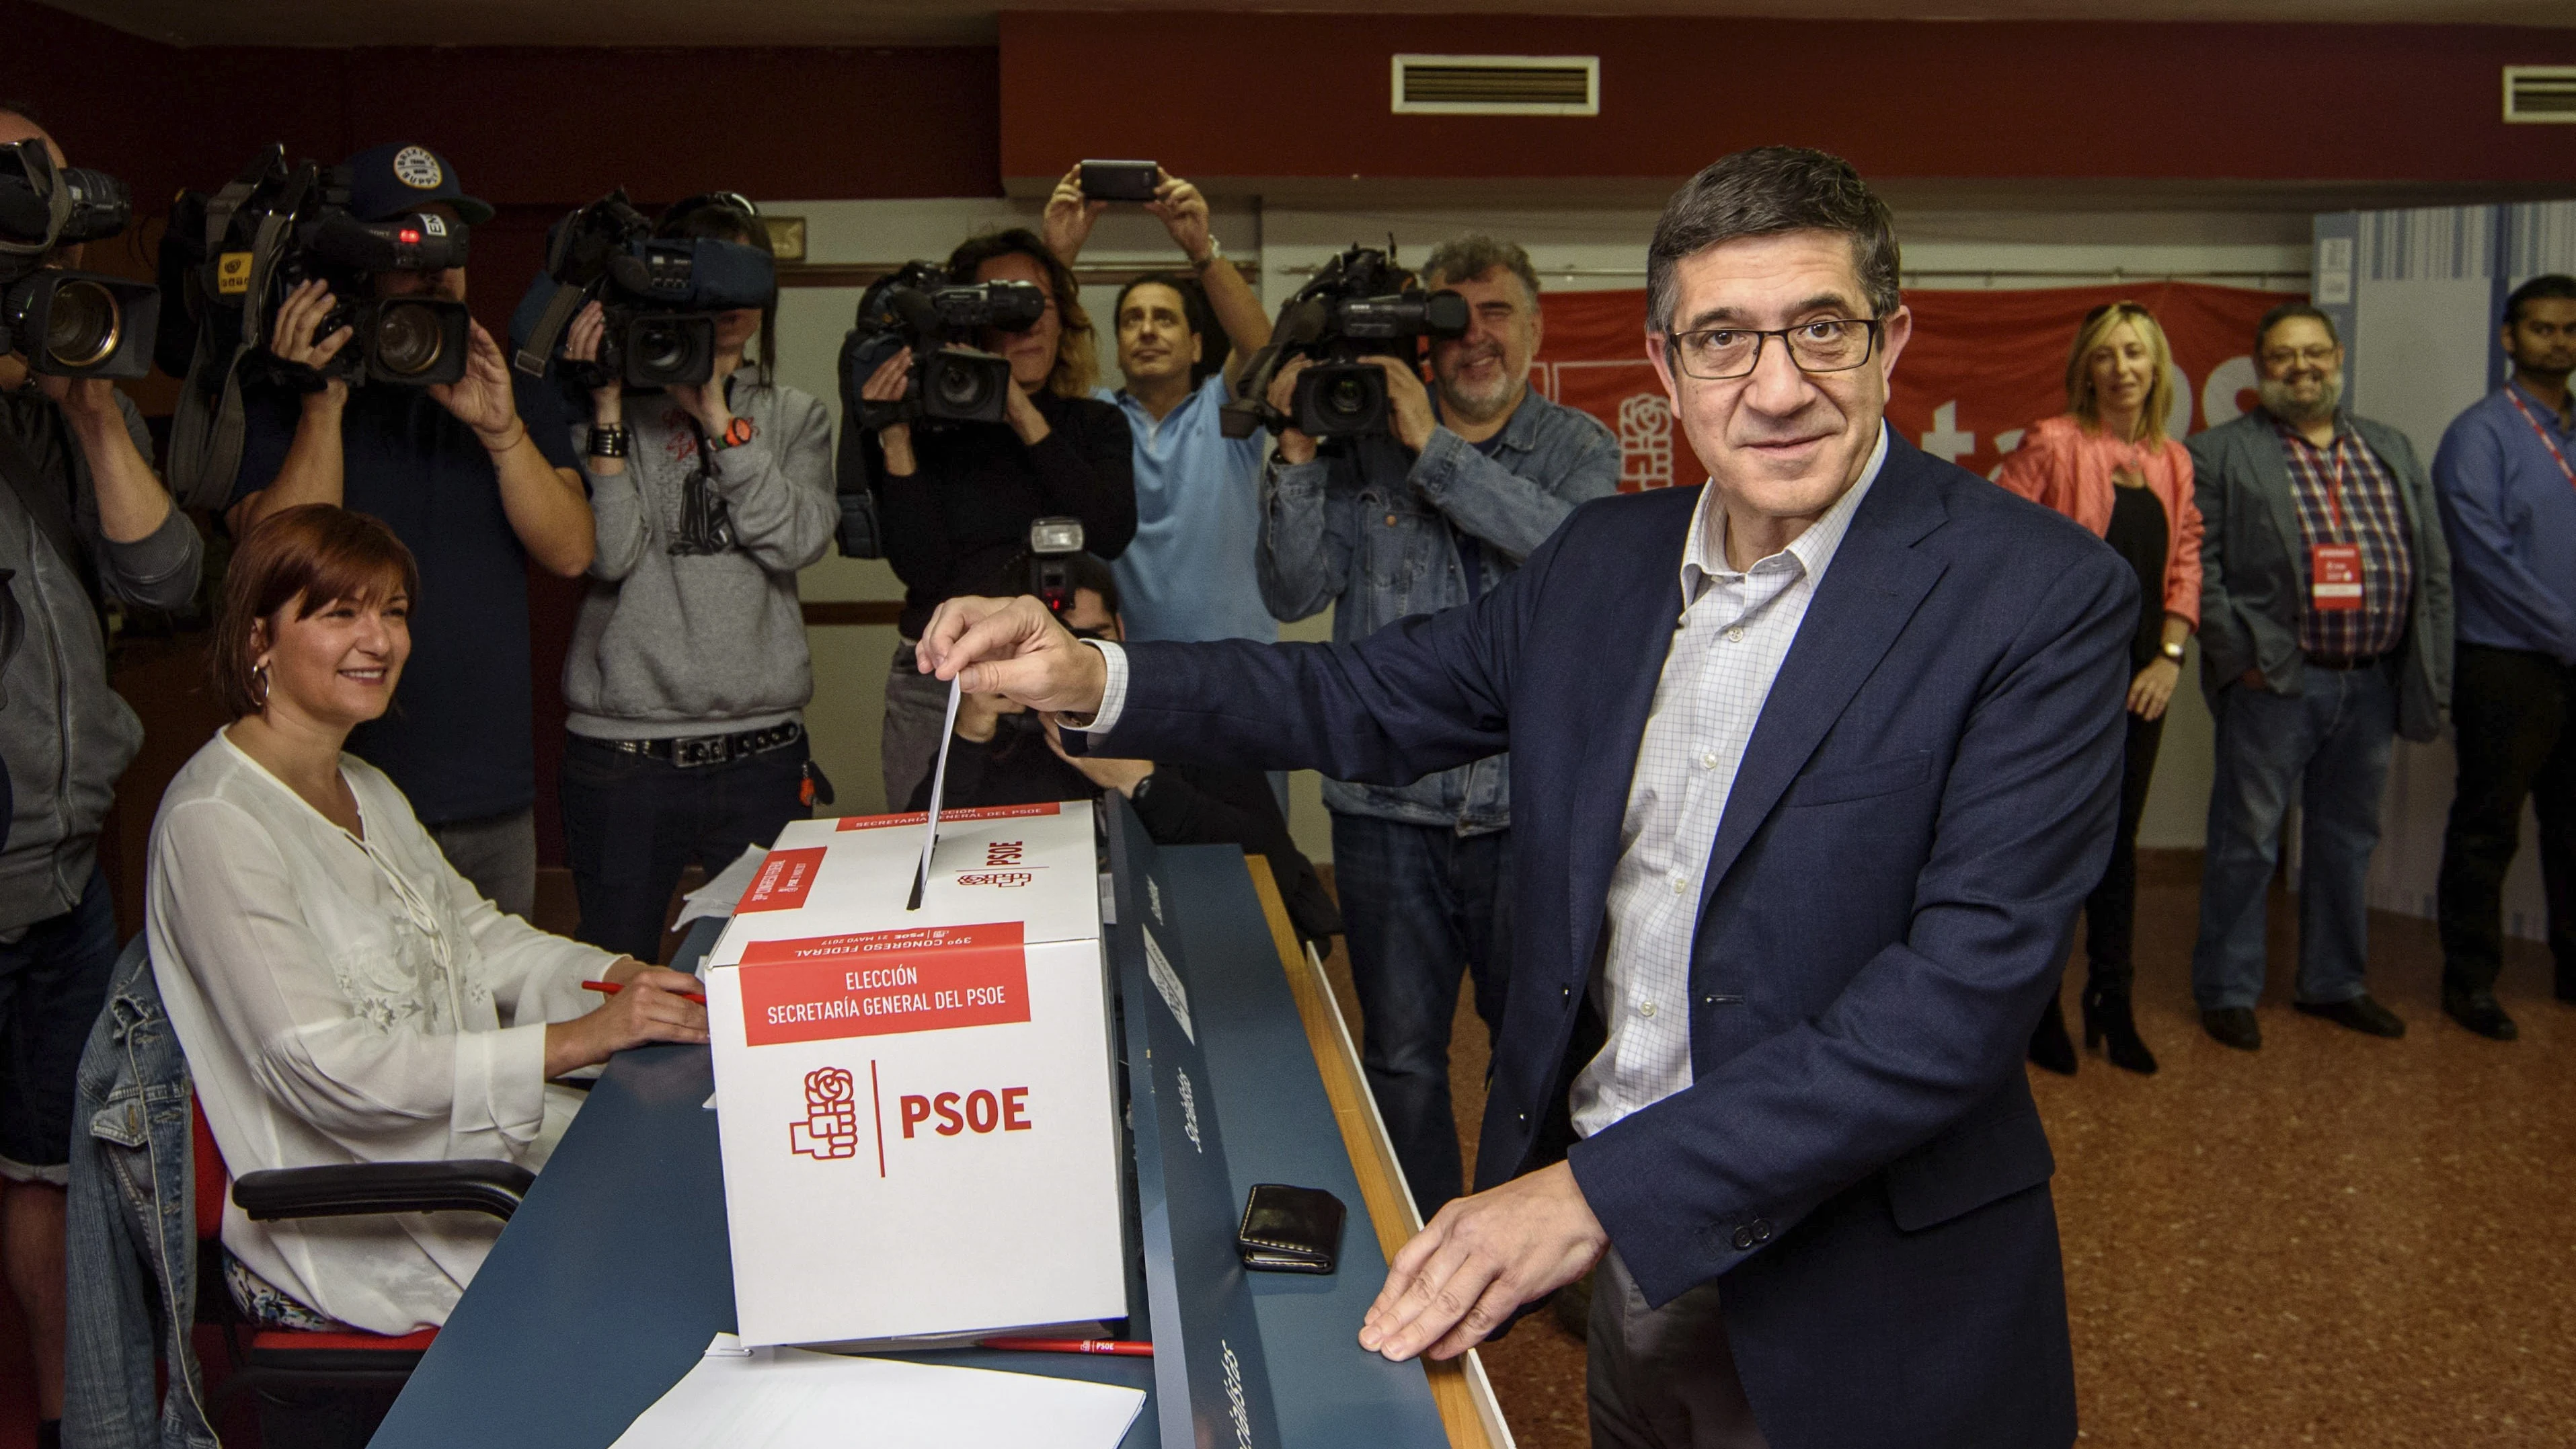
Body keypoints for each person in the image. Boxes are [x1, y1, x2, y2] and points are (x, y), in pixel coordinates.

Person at [921, 147, 2133, 1448]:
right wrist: (1089, 669)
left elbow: (1952, 1004)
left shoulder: (2037, 595)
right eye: (1723, 339)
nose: (1775, 388)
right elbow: (1361, 699)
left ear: (1890, 341)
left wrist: (1593, 1193)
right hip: (1635, 1274)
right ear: (1665, 366)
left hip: (1872, 1297)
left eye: (1820, 330)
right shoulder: (1603, 563)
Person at [147, 505, 706, 1341]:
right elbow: (322, 1066)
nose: (378, 641)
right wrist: (577, 1039)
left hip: (448, 1157)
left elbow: (477, 937)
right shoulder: (216, 820)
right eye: (340, 613)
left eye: (394, 612)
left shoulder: (365, 785)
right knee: (671, 1255)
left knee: (696, 1167)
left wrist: (616, 977)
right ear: (259, 637)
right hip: (354, 1205)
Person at [1258, 232, 1618, 1219]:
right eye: (1451, 317)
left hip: (1525, 804)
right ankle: (1421, 1240)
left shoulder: (1579, 447)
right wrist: (1294, 448)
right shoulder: (1354, 442)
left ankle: (1527, 1244)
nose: (1474, 338)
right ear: (1423, 337)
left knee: (1535, 1045)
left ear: (1535, 328)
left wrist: (1434, 448)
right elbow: (1290, 593)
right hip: (1384, 806)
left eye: (1495, 312)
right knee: (1403, 1055)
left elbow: (1570, 564)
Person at [226, 142, 596, 921]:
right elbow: (277, 557)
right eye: (406, 242)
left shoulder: (506, 377)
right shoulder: (279, 386)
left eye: (448, 244)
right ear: (355, 260)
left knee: (496, 1012)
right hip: (335, 786)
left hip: (488, 789)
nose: (433, 265)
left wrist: (501, 433)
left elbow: (570, 551)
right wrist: (321, 400)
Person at [0, 101, 205, 1449]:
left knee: (54, 1164)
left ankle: (76, 1415)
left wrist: (91, 413)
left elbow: (173, 577)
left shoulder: (46, 413)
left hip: (61, 874)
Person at [551, 194, 834, 964]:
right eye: (706, 280)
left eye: (746, 281)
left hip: (765, 754)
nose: (729, 303)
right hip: (627, 758)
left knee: (777, 969)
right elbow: (606, 556)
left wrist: (717, 418)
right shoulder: (610, 413)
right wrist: (608, 399)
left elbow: (797, 539)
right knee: (617, 963)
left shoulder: (795, 415)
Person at [2189, 303, 2452, 1051]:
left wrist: (2425, 666)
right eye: (2282, 356)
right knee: (2248, 841)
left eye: (2314, 354)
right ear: (2260, 366)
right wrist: (2243, 658)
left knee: (2347, 842)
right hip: (2277, 683)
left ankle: (2334, 983)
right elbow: (2200, 569)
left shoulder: (2391, 448)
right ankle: (2228, 988)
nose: (2300, 369)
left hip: (2369, 682)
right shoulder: (2220, 453)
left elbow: (2431, 565)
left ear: (2337, 358)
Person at [905, 553, 1339, 949]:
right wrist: (967, 737)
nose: (1070, 661)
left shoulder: (1176, 709)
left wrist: (1140, 780)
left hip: (1194, 937)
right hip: (1041, 945)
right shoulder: (997, 734)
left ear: (1122, 630)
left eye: (1092, 639)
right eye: (1053, 644)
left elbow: (1272, 866)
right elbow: (915, 867)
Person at [857, 228, 1134, 810]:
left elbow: (1107, 531)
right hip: (947, 674)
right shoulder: (934, 434)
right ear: (969, 323)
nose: (1026, 325)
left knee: (1081, 854)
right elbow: (923, 572)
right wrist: (895, 437)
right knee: (929, 851)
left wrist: (1019, 410)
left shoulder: (1095, 425)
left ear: (1064, 320)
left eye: (1039, 305)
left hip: (1068, 670)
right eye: (1005, 309)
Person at [1995, 301, 2202, 1076]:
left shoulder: (2173, 460)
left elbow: (2185, 562)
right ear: (2086, 365)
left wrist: (2171, 657)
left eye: (2137, 354)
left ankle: (2112, 1002)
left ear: (2158, 368)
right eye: (2108, 353)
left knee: (2120, 849)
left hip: (2144, 679)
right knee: (2055, 850)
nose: (2122, 368)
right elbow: (2005, 550)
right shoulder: (2053, 442)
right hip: (2067, 683)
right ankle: (2037, 1008)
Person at [1042, 165, 1276, 646]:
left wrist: (1200, 248)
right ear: (1119, 346)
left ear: (1194, 345)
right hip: (1124, 667)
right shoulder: (1094, 418)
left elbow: (1262, 348)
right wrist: (1057, 256)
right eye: (1132, 320)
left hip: (1236, 663)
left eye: (1163, 318)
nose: (1146, 330)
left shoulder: (1224, 410)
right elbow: (1032, 346)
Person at [2431, 273, 2576, 1041]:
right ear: (2510, 338)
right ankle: (2470, 981)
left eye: (2570, 329)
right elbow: (2483, 557)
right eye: (2544, 328)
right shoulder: (2480, 434)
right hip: (2508, 662)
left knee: (2575, 827)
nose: (2559, 341)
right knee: (2488, 827)